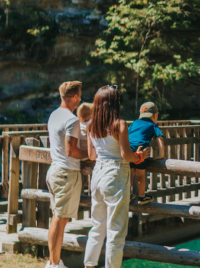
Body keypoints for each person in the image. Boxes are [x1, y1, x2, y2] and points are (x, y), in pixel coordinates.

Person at [84, 85, 150, 268]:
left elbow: (91, 156)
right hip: (115, 174)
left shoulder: (91, 126)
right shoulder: (119, 124)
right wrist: (140, 156)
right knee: (116, 231)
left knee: (97, 226)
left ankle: (89, 265)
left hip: (97, 174)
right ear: (115, 103)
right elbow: (126, 155)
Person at [46, 81, 89, 268]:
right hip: (66, 173)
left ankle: (53, 261)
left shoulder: (54, 115)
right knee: (59, 219)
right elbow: (71, 151)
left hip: (55, 169)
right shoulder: (72, 120)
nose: (80, 99)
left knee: (57, 217)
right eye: (79, 95)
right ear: (73, 97)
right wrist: (90, 154)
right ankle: (54, 264)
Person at [128, 102, 165, 205]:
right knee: (140, 175)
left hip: (130, 149)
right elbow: (160, 139)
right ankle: (142, 196)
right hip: (142, 149)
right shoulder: (153, 125)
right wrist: (161, 155)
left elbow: (127, 134)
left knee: (130, 173)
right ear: (155, 115)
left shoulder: (134, 122)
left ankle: (129, 194)